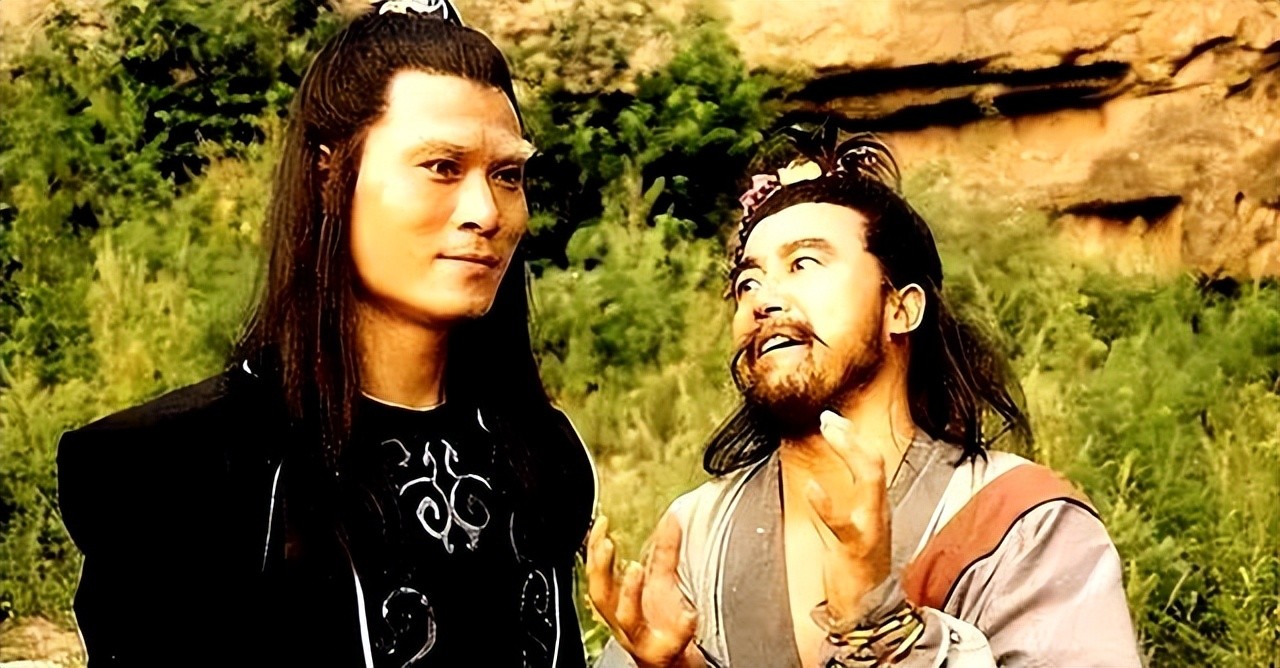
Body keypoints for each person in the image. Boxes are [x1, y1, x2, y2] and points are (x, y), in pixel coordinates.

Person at [56, 2, 595, 665]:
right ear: (329, 173)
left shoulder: (540, 453)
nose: (486, 212)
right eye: (441, 167)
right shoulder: (179, 472)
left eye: (507, 175)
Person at [586, 128, 1141, 667]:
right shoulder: (697, 533)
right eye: (747, 283)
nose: (762, 300)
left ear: (901, 308)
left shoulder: (1018, 523)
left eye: (803, 264)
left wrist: (880, 626)